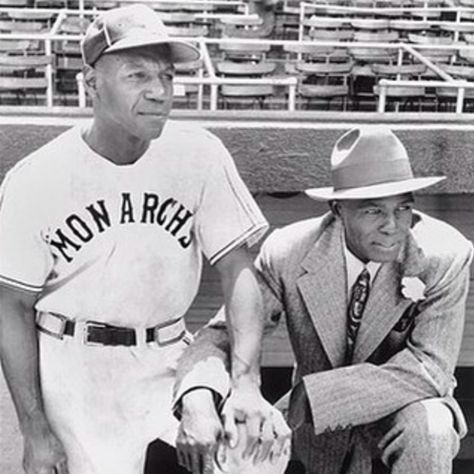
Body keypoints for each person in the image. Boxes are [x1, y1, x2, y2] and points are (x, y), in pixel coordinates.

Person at [0, 5, 288, 474]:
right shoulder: (37, 178)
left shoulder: (199, 154)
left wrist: (247, 383)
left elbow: (238, 270)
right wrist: (34, 429)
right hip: (73, 367)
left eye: (167, 76)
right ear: (91, 84)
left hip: (167, 354)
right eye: (137, 75)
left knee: (249, 460)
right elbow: (10, 307)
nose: (159, 92)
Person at [174, 126, 473, 474]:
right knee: (243, 438)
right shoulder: (289, 251)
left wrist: (313, 397)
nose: (393, 226)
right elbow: (224, 334)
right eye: (373, 211)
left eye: (403, 208)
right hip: (317, 433)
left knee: (432, 423)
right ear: (337, 210)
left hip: (401, 407)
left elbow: (430, 370)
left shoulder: (444, 254)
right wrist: (198, 397)